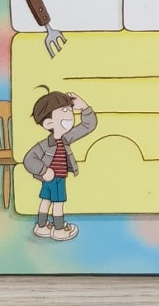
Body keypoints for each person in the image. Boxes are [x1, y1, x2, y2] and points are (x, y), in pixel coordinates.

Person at [23, 86, 97, 241]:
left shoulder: (66, 138)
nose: (70, 114)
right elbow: (28, 159)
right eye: (64, 111)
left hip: (53, 178)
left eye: (70, 110)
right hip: (55, 178)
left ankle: (41, 227)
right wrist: (44, 171)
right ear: (49, 123)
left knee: (46, 201)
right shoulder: (44, 145)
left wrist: (84, 107)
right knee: (57, 203)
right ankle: (59, 230)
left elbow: (88, 125)